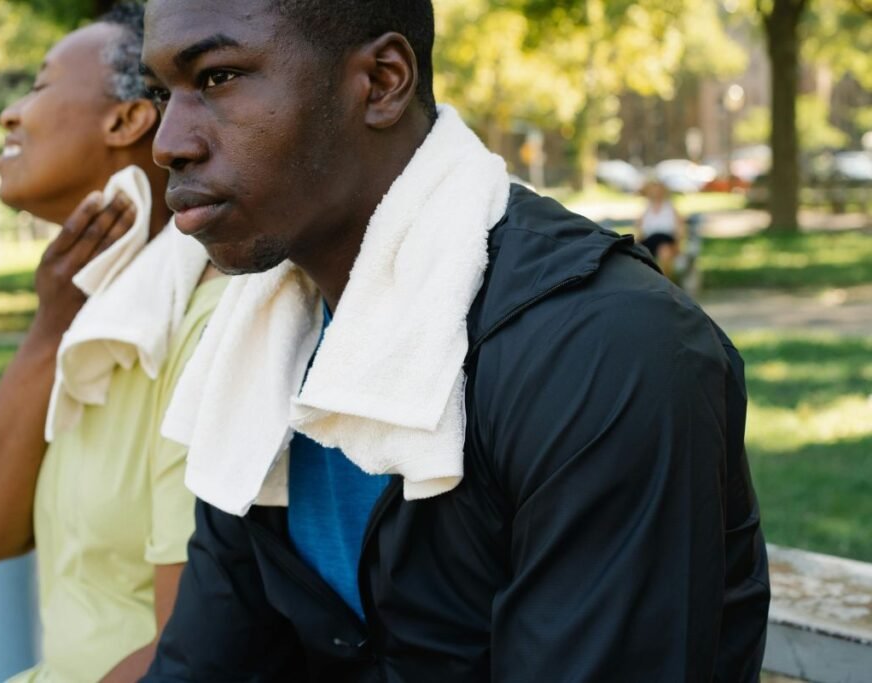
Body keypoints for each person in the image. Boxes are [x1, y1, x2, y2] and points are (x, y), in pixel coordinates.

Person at [140, 0, 770, 680]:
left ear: (382, 82)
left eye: (218, 77)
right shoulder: (258, 349)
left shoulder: (605, 352)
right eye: (161, 93)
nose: (168, 142)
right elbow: (201, 662)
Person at [0, 5, 224, 681]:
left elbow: (195, 654)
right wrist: (51, 326)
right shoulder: (91, 312)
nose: (10, 114)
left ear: (128, 120)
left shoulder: (205, 320)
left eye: (39, 85)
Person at [636, 177, 686, 277]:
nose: (656, 193)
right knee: (641, 253)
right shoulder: (646, 211)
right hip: (650, 241)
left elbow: (680, 232)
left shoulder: (671, 209)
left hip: (666, 241)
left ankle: (665, 283)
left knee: (664, 252)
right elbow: (640, 233)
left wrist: (677, 246)